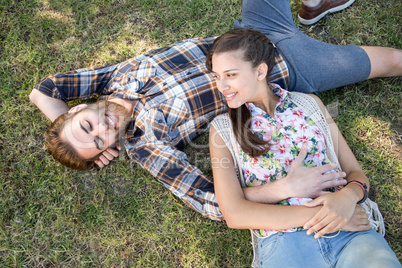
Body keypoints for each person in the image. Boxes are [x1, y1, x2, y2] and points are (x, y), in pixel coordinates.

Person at [29, 0, 402, 222]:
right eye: (100, 141)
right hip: (292, 66)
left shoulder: (112, 78)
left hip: (250, 33)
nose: (103, 129)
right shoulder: (146, 145)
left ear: (77, 109)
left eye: (88, 125)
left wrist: (67, 127)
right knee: (392, 61)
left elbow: (43, 90)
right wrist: (284, 188)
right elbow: (211, 202)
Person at [207, 27, 401, 268]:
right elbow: (235, 213)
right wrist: (294, 192)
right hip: (287, 242)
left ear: (260, 71)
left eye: (231, 74)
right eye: (216, 76)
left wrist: (347, 198)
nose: (221, 85)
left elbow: (355, 174)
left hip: (351, 235)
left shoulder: (309, 104)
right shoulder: (223, 129)